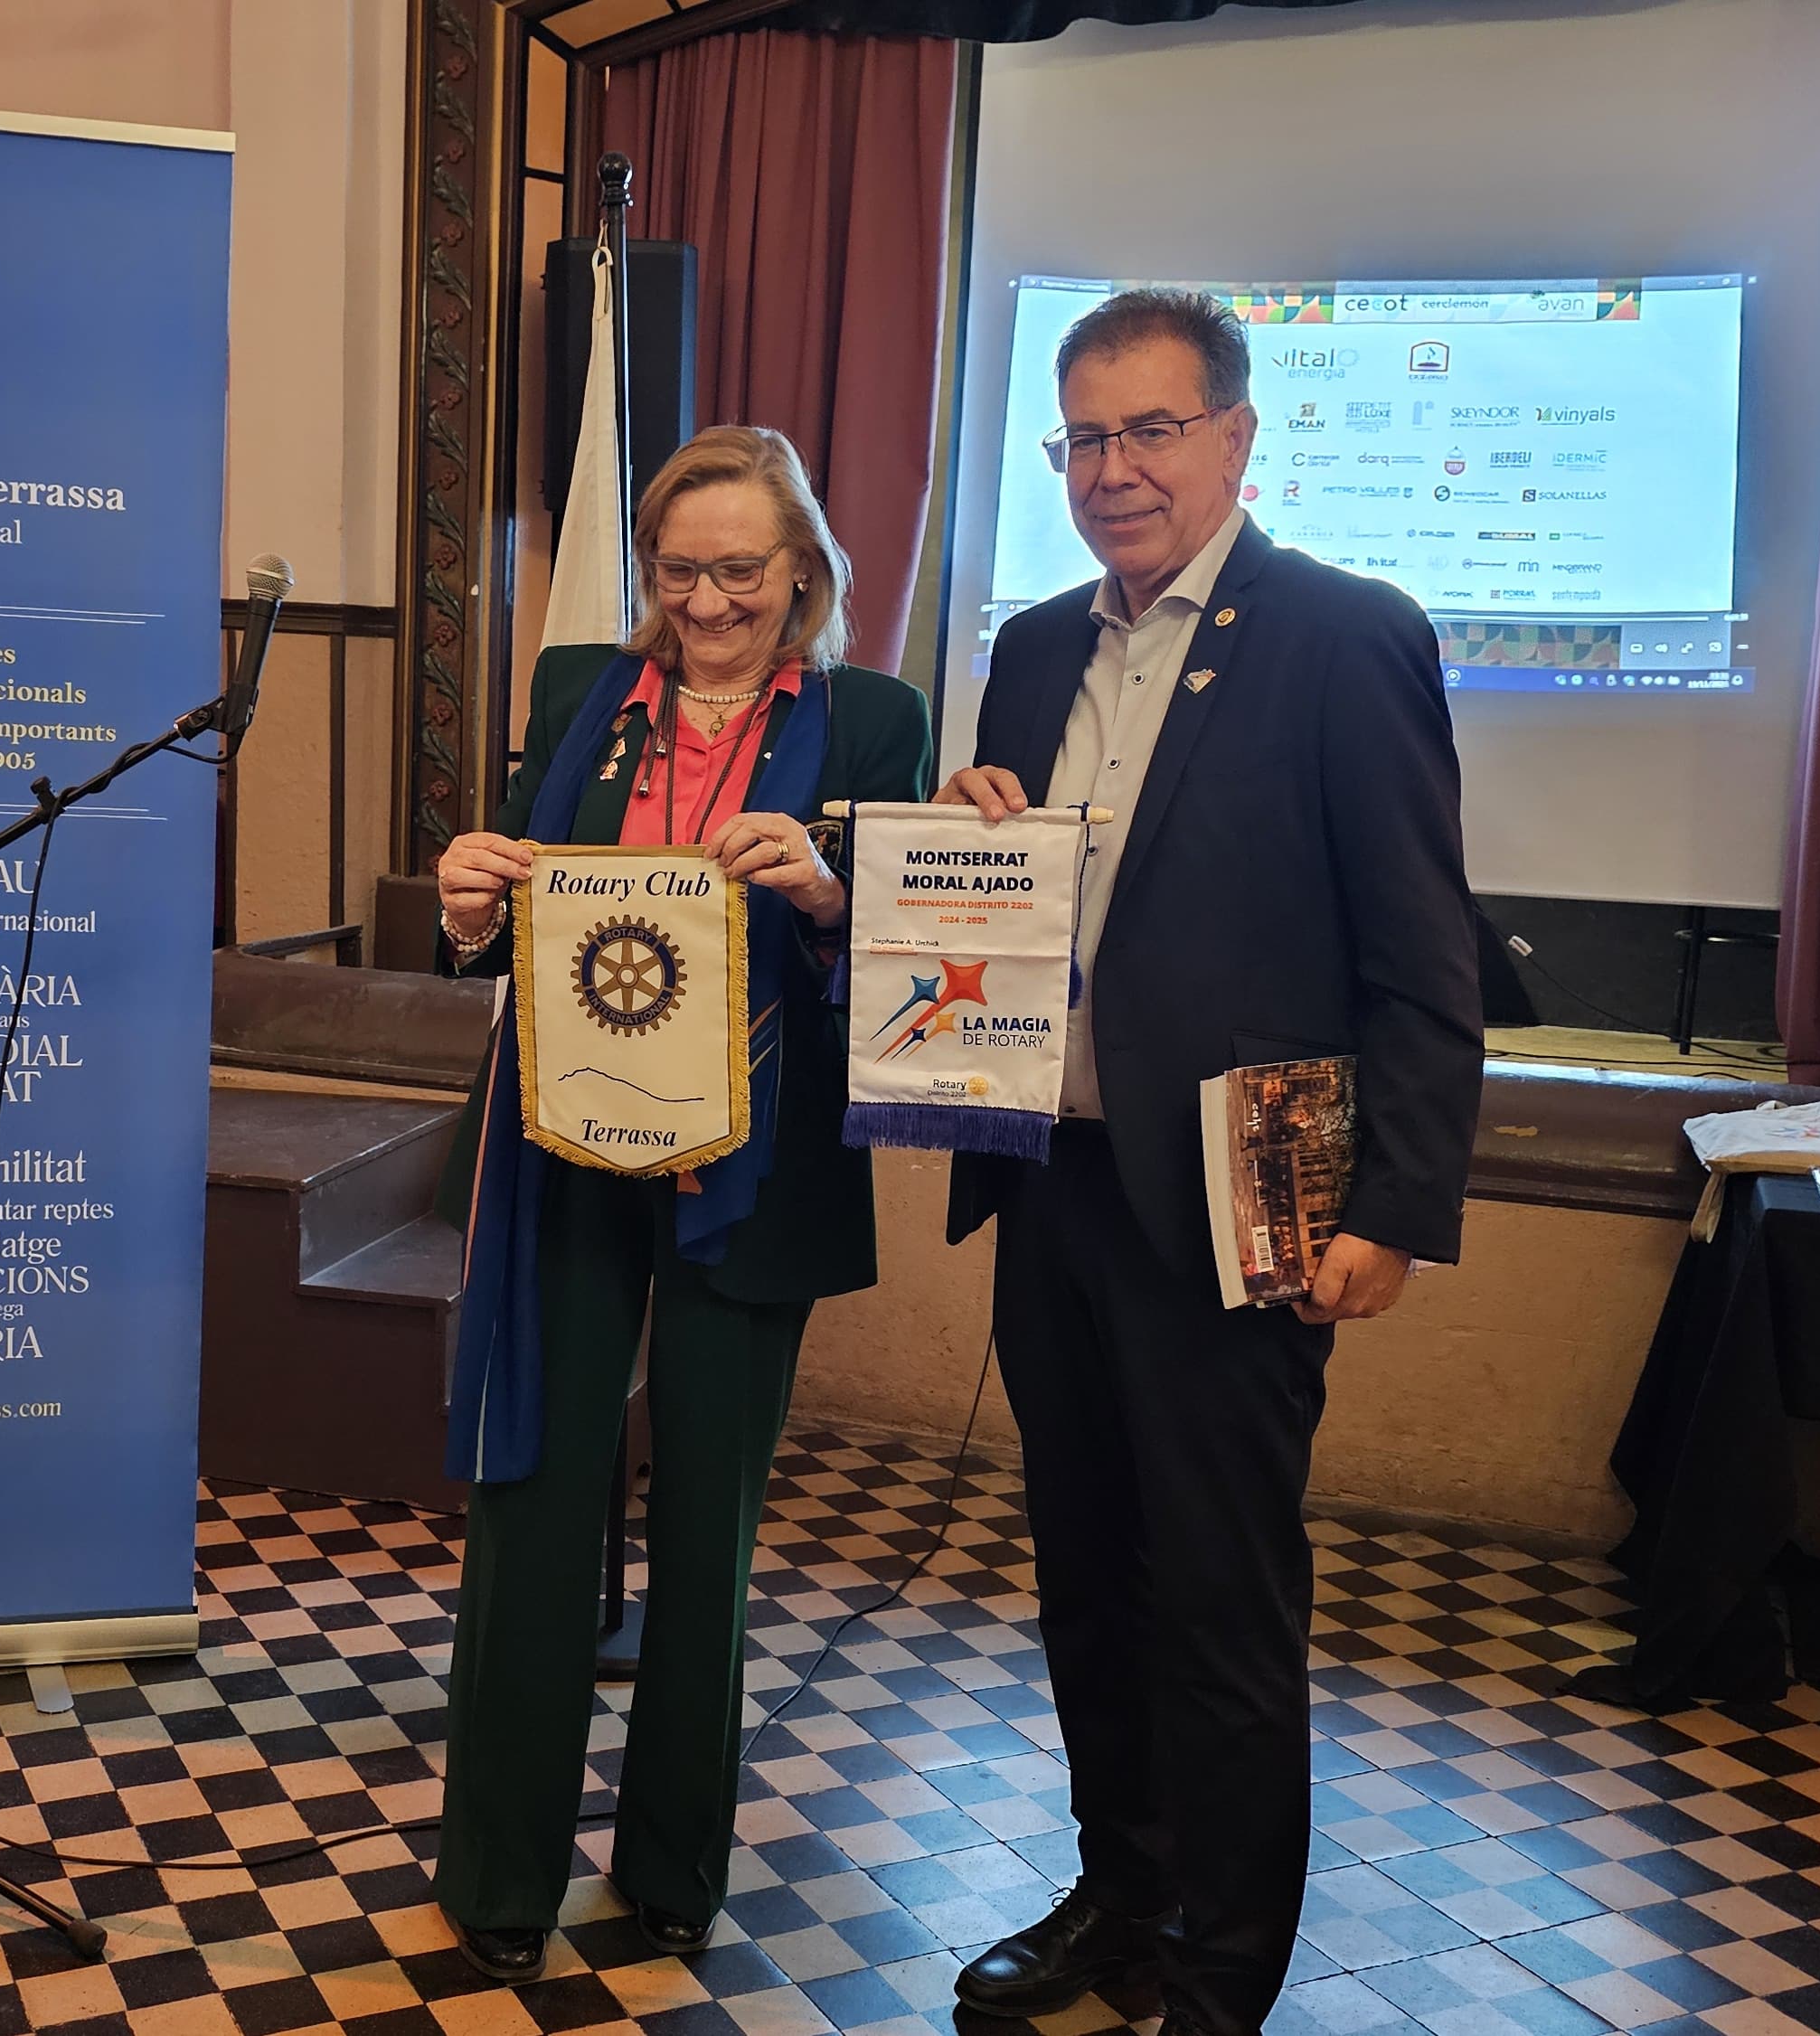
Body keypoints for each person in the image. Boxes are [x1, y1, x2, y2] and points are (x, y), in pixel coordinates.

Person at [937, 289, 1484, 2034]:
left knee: (1221, 1603)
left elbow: (1422, 953)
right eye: (1085, 438)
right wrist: (960, 854)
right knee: (1086, 1581)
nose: (1115, 470)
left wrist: (1395, 1205)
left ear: (1236, 438)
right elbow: (1013, 916)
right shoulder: (1033, 648)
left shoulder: (1346, 634)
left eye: (1152, 431)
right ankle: (1123, 1888)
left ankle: (1224, 1973)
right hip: (1055, 1178)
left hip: (1251, 1197)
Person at [428, 426, 931, 1983]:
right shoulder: (581, 692)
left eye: (740, 572)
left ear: (806, 572)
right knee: (533, 1502)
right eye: (678, 569)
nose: (707, 603)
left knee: (709, 1521)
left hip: (756, 1173)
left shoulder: (875, 720)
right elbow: (514, 900)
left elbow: (909, 962)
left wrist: (831, 894)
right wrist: (467, 907)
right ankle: (501, 1872)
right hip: (566, 1151)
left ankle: (672, 1866)